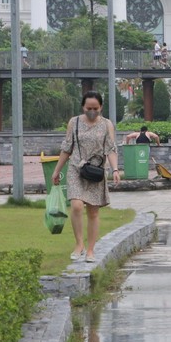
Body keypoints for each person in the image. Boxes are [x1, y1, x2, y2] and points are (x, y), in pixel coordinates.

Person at [52, 91, 120, 264]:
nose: (92, 111)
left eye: (95, 108)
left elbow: (111, 149)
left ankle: (90, 250)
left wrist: (115, 169)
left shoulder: (106, 124)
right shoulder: (74, 123)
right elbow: (67, 148)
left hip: (96, 171)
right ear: (83, 107)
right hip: (76, 168)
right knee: (76, 206)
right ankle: (79, 244)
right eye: (88, 108)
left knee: (93, 211)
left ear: (101, 107)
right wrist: (57, 170)